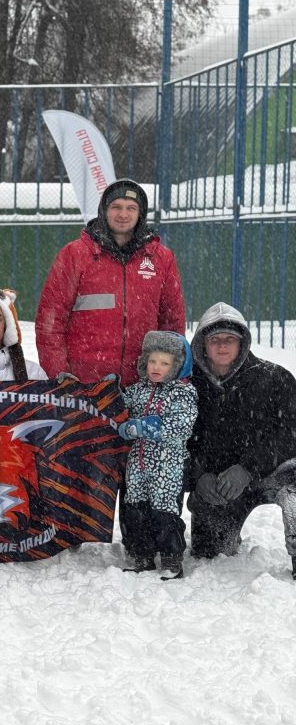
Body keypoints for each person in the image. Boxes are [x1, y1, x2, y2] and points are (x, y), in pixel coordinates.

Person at [35, 179, 185, 386]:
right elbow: (50, 322)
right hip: (84, 383)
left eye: (131, 208)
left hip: (143, 384)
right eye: (116, 207)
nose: (123, 215)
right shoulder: (75, 254)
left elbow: (172, 322)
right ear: (104, 210)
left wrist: (169, 373)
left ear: (140, 213)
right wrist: (60, 374)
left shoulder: (161, 258)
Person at [186, 302, 296, 577]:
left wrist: (248, 467)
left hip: (273, 474)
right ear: (203, 343)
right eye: (215, 340)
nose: (222, 346)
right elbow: (178, 439)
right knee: (210, 552)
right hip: (219, 484)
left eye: (230, 339)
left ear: (242, 342)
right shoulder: (187, 386)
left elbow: (290, 433)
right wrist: (199, 476)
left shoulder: (274, 378)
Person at [116, 331, 198, 579]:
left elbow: (180, 426)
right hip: (138, 462)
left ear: (177, 366)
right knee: (136, 507)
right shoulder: (140, 389)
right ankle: (142, 554)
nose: (156, 367)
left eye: (164, 363)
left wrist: (142, 427)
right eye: (152, 361)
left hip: (167, 465)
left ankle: (172, 558)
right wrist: (110, 392)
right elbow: (121, 402)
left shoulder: (183, 392)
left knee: (164, 511)